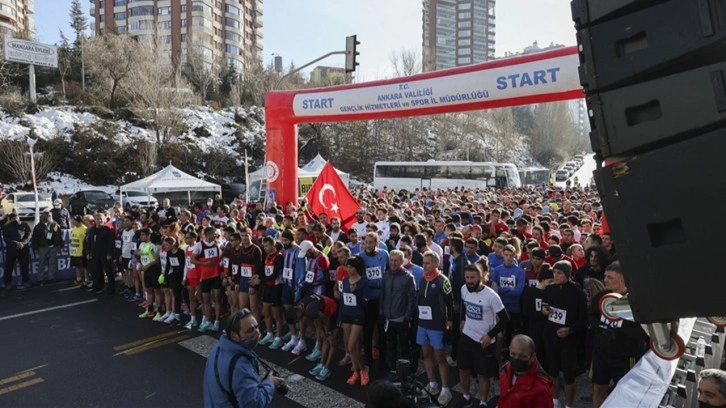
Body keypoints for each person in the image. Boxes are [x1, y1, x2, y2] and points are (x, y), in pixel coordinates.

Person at [589, 263, 648, 407]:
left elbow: (643, 332)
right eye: (605, 276)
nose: (605, 280)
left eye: (610, 277)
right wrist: (600, 327)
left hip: (625, 356)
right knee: (598, 388)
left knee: (623, 392)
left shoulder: (636, 301)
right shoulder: (602, 295)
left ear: (622, 280)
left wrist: (617, 333)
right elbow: (590, 315)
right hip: (601, 353)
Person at [203, 308, 285, 408]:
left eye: (256, 327)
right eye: (250, 330)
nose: (257, 333)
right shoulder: (240, 366)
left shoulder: (220, 347)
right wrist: (270, 383)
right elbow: (254, 404)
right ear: (234, 335)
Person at [456, 263, 510, 408]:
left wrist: (489, 335)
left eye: (472, 278)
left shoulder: (491, 296)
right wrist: (462, 319)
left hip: (484, 341)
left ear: (481, 277)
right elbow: (463, 305)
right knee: (463, 369)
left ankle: (483, 402)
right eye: (467, 277)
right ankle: (466, 396)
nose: (469, 281)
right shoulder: (463, 289)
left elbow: (505, 319)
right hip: (467, 336)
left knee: (483, 375)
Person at [498, 335, 554, 408]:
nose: (516, 359)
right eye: (513, 354)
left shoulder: (541, 390)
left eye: (522, 356)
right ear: (509, 350)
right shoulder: (506, 371)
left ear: (532, 357)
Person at [32, 211, 63, 285]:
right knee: (41, 263)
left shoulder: (54, 224)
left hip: (53, 246)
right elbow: (35, 238)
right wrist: (35, 248)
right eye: (48, 216)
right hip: (43, 247)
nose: (50, 217)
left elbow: (59, 235)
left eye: (50, 216)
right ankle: (40, 279)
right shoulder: (38, 227)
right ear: (44, 217)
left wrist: (61, 245)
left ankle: (51, 277)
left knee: (52, 262)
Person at [2, 212, 31, 290]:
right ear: (11, 219)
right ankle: (7, 283)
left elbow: (28, 235)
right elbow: (6, 238)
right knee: (9, 267)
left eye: (17, 217)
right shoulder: (7, 227)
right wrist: (15, 243)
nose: (16, 219)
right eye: (14, 218)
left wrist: (23, 243)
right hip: (12, 250)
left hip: (23, 249)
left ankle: (26, 282)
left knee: (24, 267)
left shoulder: (24, 225)